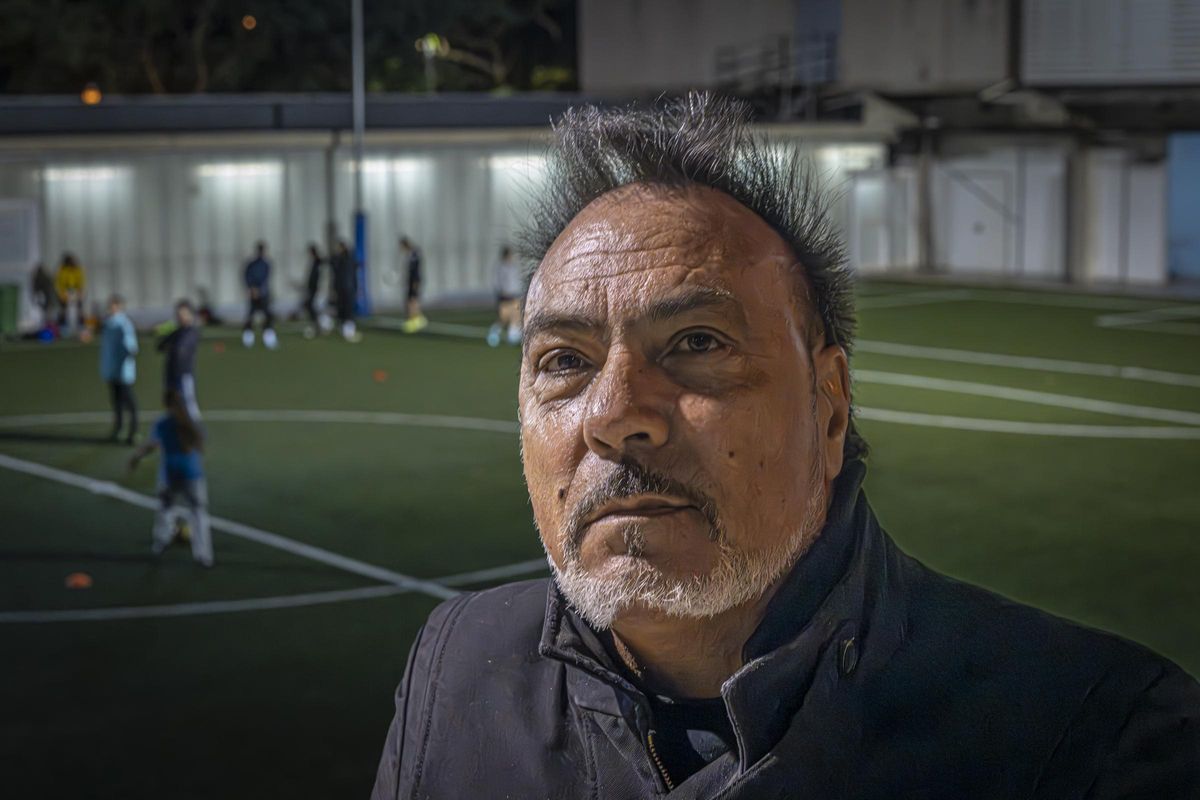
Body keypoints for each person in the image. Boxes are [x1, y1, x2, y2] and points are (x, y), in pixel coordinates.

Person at [371, 95, 1200, 799]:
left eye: (696, 343)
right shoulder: (458, 665)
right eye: (565, 362)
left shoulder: (1097, 739)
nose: (616, 414)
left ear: (830, 409)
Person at [128, 389, 212, 568]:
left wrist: (135, 458)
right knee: (198, 513)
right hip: (192, 475)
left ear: (166, 404)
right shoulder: (192, 422)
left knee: (166, 509)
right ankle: (203, 556)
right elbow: (200, 444)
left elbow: (151, 445)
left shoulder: (163, 423)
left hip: (170, 475)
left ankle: (160, 544)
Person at [98, 294, 138, 444]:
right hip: (112, 370)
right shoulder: (108, 324)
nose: (111, 308)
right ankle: (118, 429)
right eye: (110, 305)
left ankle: (133, 431)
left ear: (119, 307)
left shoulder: (124, 324)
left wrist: (126, 357)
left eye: (114, 305)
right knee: (116, 402)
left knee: (129, 402)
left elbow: (131, 347)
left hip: (123, 371)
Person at [157, 299, 202, 419]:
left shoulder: (192, 332)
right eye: (178, 315)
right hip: (170, 374)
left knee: (189, 404)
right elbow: (160, 347)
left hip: (184, 374)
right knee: (172, 407)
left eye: (183, 314)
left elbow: (181, 348)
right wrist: (164, 331)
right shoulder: (176, 332)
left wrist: (172, 343)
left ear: (190, 315)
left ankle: (196, 431)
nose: (181, 317)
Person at [242, 241, 278, 349]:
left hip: (263, 294)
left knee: (267, 315)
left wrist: (259, 290)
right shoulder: (251, 264)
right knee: (251, 315)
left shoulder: (266, 264)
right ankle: (248, 338)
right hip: (253, 294)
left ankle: (269, 338)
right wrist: (252, 289)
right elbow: (247, 276)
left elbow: (265, 279)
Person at [487, 244, 524, 347]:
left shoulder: (513, 267)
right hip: (505, 297)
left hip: (514, 296)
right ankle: (494, 333)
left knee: (516, 316)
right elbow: (497, 283)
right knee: (504, 319)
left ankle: (513, 337)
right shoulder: (500, 268)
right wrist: (501, 293)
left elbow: (516, 282)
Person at [328, 239, 361, 343]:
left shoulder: (345, 259)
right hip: (345, 288)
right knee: (343, 309)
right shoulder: (346, 259)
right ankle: (346, 330)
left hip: (346, 288)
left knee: (347, 310)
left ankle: (348, 331)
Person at [301, 243, 332, 338]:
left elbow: (321, 276)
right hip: (314, 289)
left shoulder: (319, 262)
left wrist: (321, 288)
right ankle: (320, 326)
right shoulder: (315, 262)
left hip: (318, 289)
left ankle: (325, 325)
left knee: (317, 307)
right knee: (313, 307)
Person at [399, 236, 427, 333]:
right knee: (411, 300)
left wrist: (415, 282)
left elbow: (416, 269)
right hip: (412, 279)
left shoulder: (414, 253)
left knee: (412, 300)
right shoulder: (410, 254)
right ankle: (416, 319)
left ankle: (415, 320)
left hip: (415, 280)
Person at [54, 252, 86, 332]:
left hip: (75, 290)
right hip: (65, 291)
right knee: (63, 310)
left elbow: (81, 281)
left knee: (79, 309)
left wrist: (80, 291)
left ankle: (80, 325)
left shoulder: (77, 269)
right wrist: (61, 293)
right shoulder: (62, 270)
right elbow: (58, 282)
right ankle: (62, 327)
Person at [30, 262, 58, 329]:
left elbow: (51, 288)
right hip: (45, 296)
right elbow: (35, 288)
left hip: (47, 296)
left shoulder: (44, 277)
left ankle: (47, 325)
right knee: (45, 311)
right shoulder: (40, 277)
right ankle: (45, 325)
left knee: (47, 311)